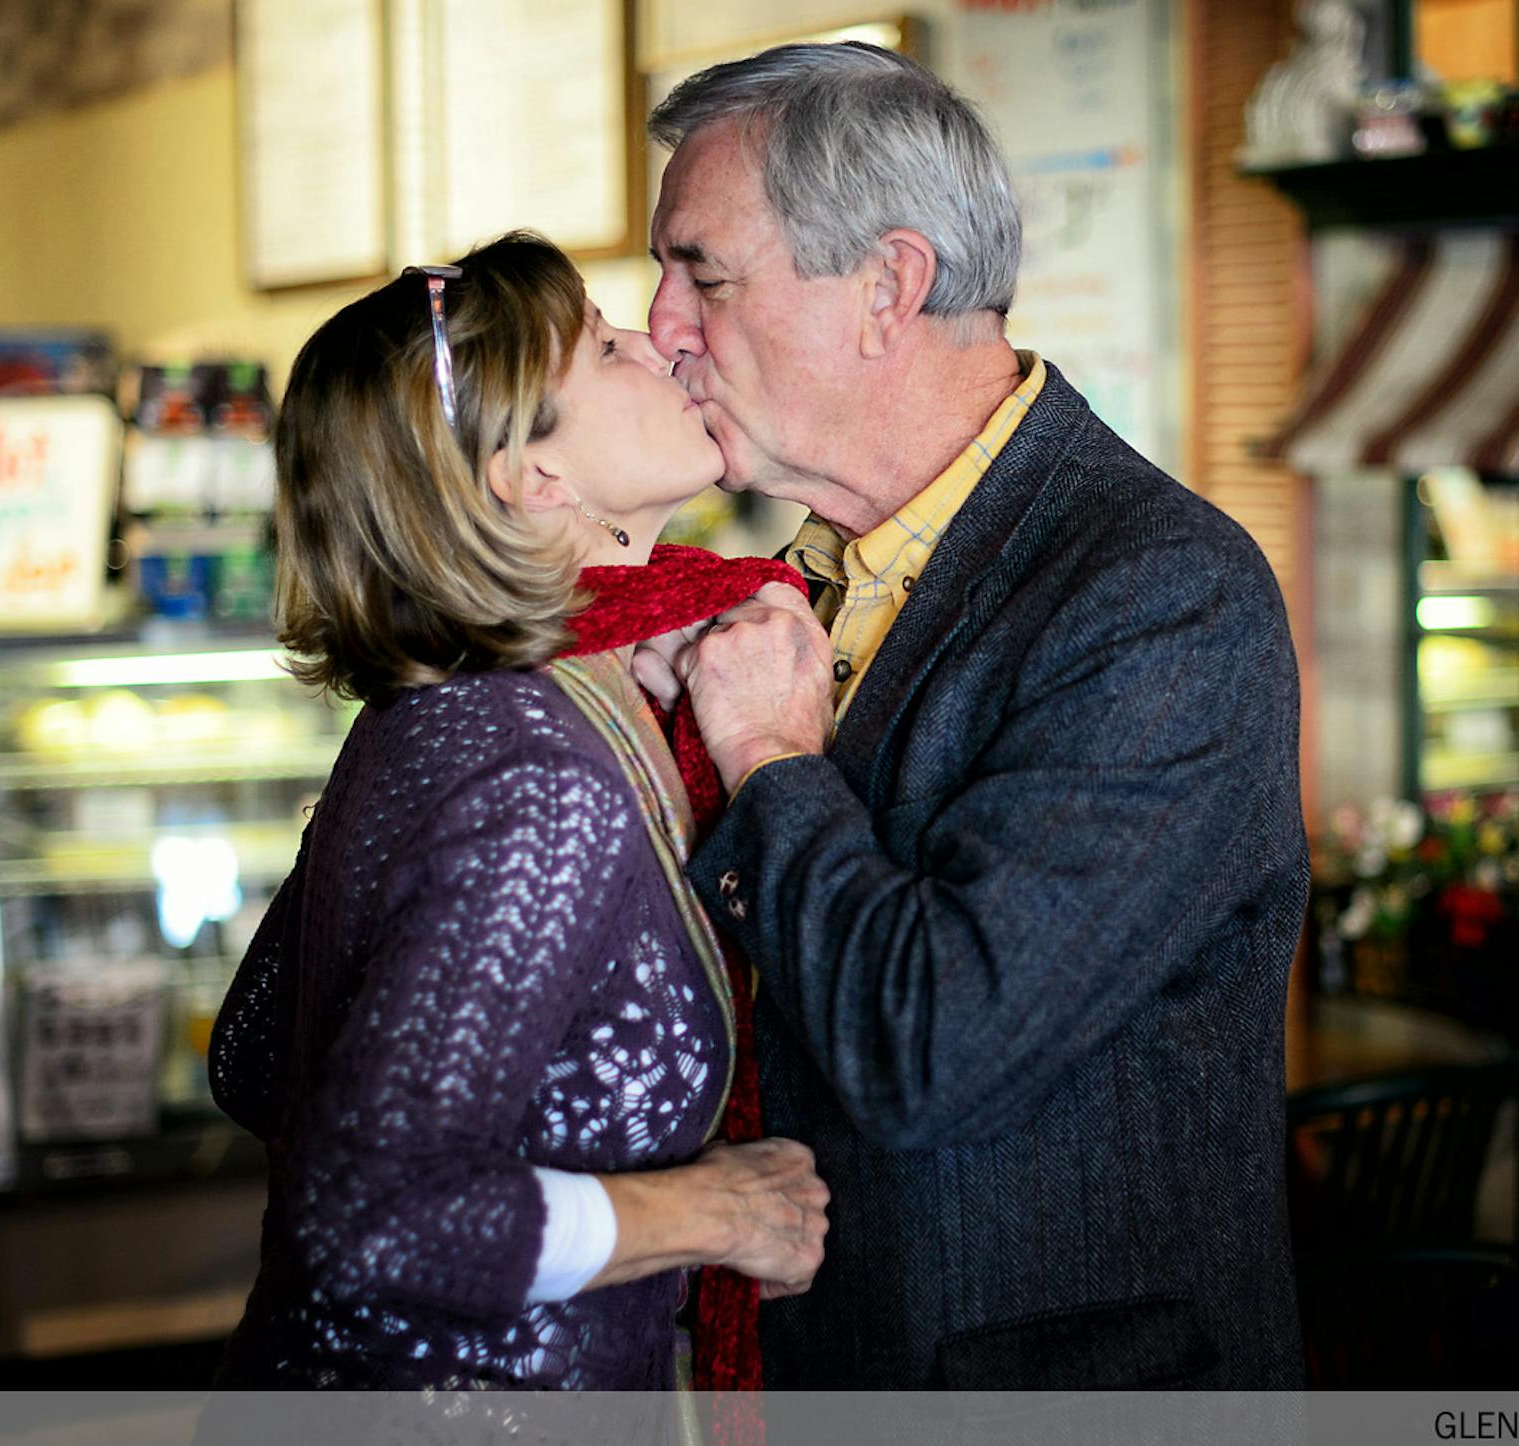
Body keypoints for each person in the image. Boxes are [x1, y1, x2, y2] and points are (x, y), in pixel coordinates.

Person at [637, 44, 1311, 1388]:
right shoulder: (800, 580)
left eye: (702, 272)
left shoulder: (1162, 594)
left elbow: (935, 1043)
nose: (661, 325)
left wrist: (771, 758)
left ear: (887, 284)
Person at [208, 231, 829, 1391]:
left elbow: (254, 1056)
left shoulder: (435, 708)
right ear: (531, 477)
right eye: (603, 347)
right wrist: (710, 1213)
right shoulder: (541, 775)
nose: (657, 343)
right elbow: (375, 1219)